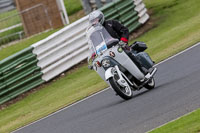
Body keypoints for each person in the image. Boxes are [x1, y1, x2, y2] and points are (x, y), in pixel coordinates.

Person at [88, 10, 148, 74]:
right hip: (105, 53)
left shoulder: (111, 23)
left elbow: (124, 30)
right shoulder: (93, 34)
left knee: (128, 54)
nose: (94, 22)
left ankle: (141, 69)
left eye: (96, 20)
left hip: (119, 46)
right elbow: (93, 46)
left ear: (100, 18)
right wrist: (93, 55)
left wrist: (123, 41)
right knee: (102, 65)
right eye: (92, 21)